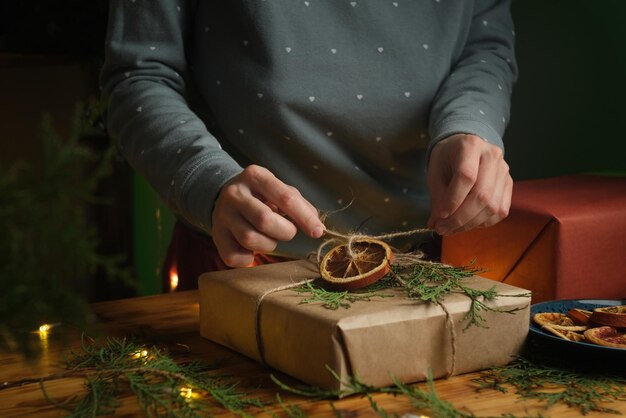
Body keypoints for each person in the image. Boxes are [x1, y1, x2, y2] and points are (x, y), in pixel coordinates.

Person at [101, 0, 517, 290]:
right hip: (243, 262)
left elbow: (484, 49)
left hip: (428, 266)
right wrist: (207, 180)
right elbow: (139, 75)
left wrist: (470, 124)